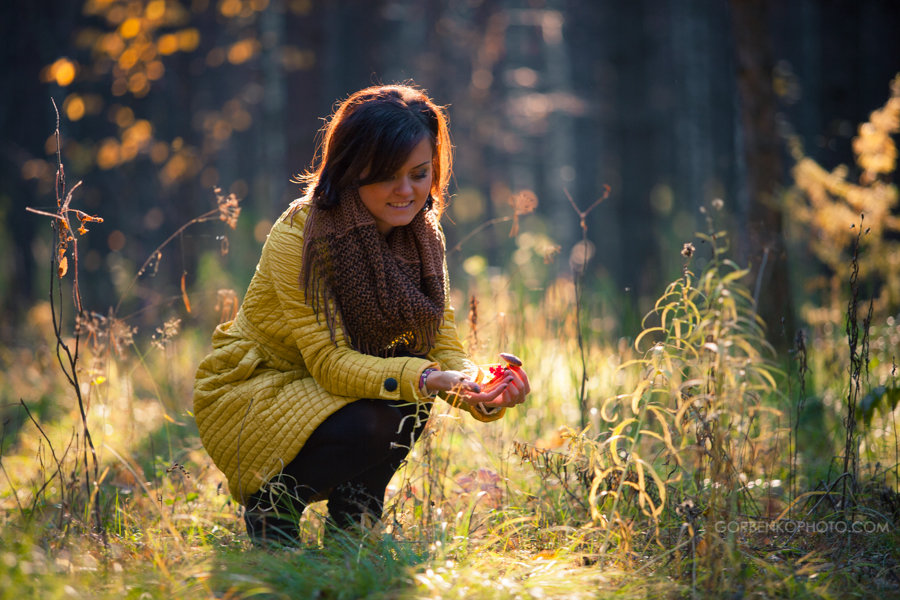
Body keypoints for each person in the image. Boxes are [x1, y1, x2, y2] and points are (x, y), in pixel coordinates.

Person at [193, 84, 530, 547]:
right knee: (403, 392)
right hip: (260, 391)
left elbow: (441, 343)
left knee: (410, 392)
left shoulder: (422, 236)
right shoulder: (302, 233)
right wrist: (430, 377)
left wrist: (479, 386)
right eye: (386, 175)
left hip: (329, 393)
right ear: (350, 169)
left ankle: (353, 532)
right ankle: (273, 513)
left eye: (419, 173)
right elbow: (329, 363)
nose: (406, 191)